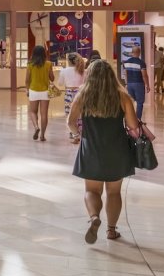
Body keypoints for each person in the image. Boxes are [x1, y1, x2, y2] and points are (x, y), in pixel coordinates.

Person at [68, 59, 141, 243]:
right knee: (114, 193)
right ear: (111, 76)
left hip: (91, 148)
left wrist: (79, 134)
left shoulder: (83, 95)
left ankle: (94, 217)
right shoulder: (122, 96)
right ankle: (111, 230)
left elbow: (70, 122)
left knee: (92, 191)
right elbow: (133, 125)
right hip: (117, 149)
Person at [26, 45, 54, 141]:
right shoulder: (48, 64)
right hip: (45, 91)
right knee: (44, 114)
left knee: (32, 111)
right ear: (44, 53)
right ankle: (42, 135)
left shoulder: (30, 64)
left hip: (33, 90)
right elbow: (52, 78)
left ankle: (36, 127)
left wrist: (27, 89)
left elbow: (27, 80)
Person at [58, 53, 86, 143]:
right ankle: (80, 133)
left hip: (69, 94)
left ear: (68, 61)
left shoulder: (64, 71)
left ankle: (74, 133)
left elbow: (60, 83)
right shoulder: (83, 71)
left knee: (69, 113)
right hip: (81, 93)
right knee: (80, 114)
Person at [122, 45, 150, 119]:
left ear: (132, 52)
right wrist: (147, 85)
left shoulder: (126, 62)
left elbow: (126, 74)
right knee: (140, 103)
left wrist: (126, 84)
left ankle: (130, 119)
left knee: (130, 102)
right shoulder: (141, 63)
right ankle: (138, 120)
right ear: (139, 53)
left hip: (130, 84)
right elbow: (144, 75)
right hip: (139, 84)